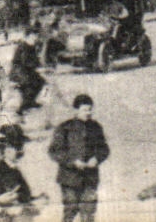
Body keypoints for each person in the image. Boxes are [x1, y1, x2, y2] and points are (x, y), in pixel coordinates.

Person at [48, 94, 109, 222]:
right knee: (70, 212)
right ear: (75, 110)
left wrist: (96, 159)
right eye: (85, 110)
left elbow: (104, 149)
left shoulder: (96, 127)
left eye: (90, 109)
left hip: (90, 179)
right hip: (69, 179)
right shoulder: (65, 128)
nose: (88, 113)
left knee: (88, 214)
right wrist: (73, 162)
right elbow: (54, 151)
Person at [10, 31, 47, 113]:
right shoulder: (23, 47)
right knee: (29, 83)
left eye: (35, 37)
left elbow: (35, 60)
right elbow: (25, 62)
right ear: (27, 37)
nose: (35, 39)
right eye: (32, 37)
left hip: (26, 70)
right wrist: (36, 67)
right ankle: (23, 106)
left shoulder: (31, 46)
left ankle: (30, 101)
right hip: (18, 72)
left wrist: (39, 65)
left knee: (40, 81)